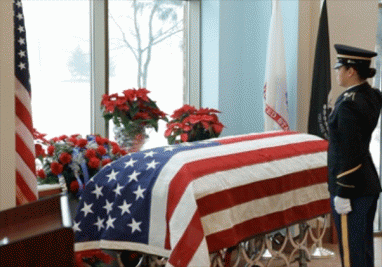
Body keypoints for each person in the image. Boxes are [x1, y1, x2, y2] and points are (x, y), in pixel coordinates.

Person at [328, 44, 382, 267]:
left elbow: (352, 152)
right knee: (363, 250)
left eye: (340, 68)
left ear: (351, 71)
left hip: (353, 189)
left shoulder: (349, 105)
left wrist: (343, 191)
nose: (337, 72)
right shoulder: (369, 95)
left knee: (352, 255)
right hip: (367, 185)